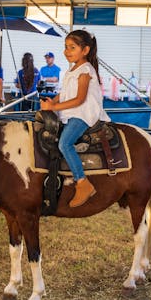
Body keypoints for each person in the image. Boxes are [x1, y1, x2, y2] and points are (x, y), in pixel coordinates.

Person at [41, 30, 111, 208]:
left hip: (83, 113)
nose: (67, 51)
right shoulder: (72, 70)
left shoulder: (86, 70)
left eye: (72, 47)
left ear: (85, 50)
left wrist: (54, 108)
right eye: (66, 47)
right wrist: (52, 101)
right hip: (73, 112)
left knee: (64, 143)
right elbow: (64, 94)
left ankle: (82, 182)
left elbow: (80, 99)